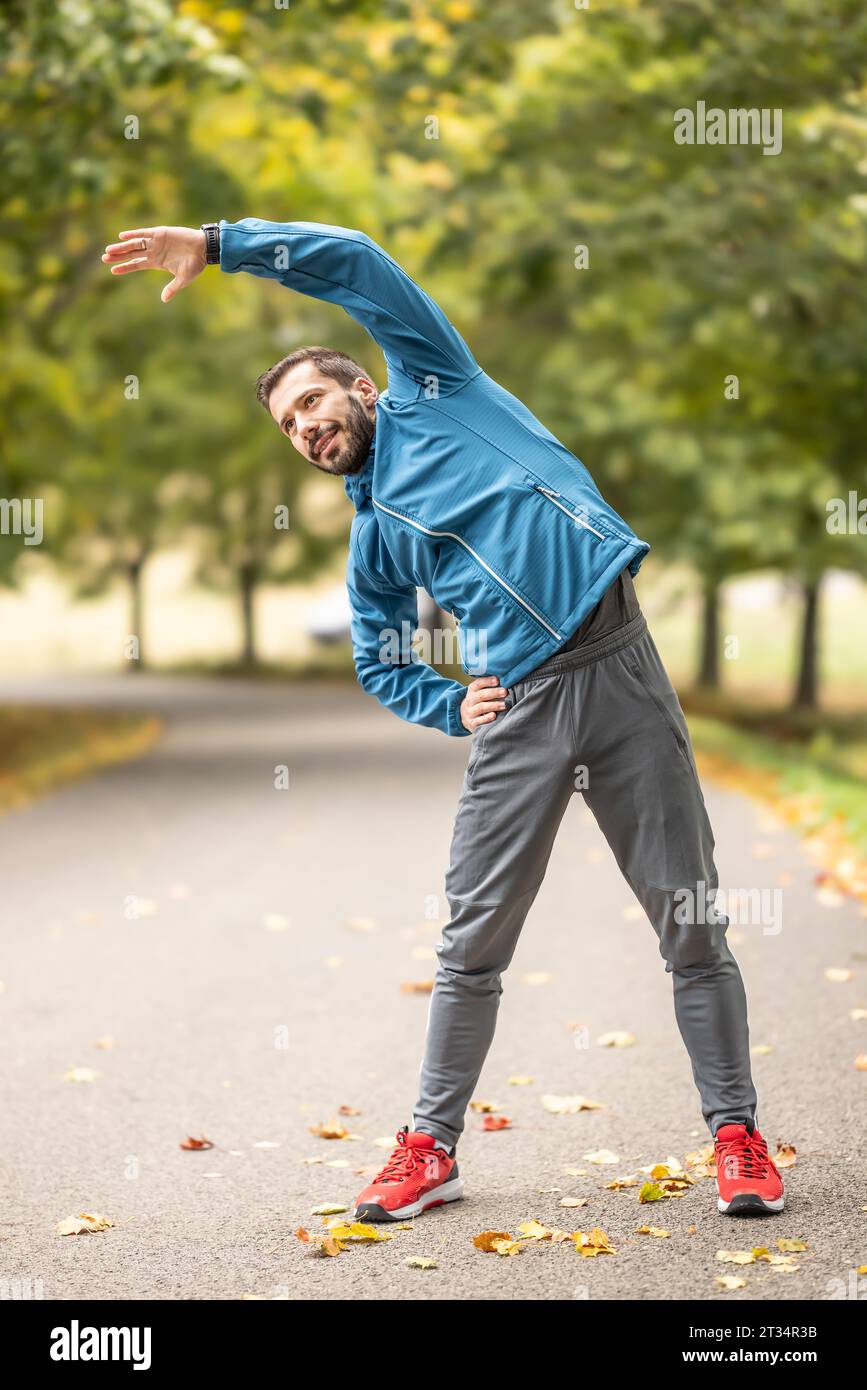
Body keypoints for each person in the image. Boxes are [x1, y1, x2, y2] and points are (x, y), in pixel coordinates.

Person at [101, 218, 785, 1219]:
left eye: (311, 404)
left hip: (621, 669)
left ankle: (738, 1136)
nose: (305, 429)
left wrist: (218, 245)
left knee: (690, 921)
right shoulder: (374, 542)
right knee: (470, 943)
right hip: (520, 714)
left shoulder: (435, 384)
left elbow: (360, 265)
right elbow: (376, 656)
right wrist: (452, 701)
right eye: (289, 428)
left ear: (361, 388)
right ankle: (429, 1148)